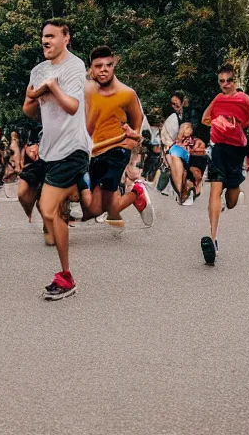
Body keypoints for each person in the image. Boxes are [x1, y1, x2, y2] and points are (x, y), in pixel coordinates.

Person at [23, 19, 91, 300]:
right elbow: (30, 109)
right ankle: (72, 199)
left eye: (51, 36)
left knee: (48, 207)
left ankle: (66, 277)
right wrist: (36, 95)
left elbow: (73, 106)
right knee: (31, 196)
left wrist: (52, 87)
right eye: (43, 37)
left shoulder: (75, 66)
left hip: (73, 148)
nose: (45, 41)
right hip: (49, 149)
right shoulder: (38, 71)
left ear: (66, 38)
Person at [82, 46, 154, 229]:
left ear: (114, 66)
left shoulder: (127, 94)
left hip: (117, 150)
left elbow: (138, 123)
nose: (103, 69)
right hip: (94, 150)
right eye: (98, 66)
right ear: (91, 69)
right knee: (93, 208)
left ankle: (131, 196)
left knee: (99, 206)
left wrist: (132, 139)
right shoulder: (86, 90)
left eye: (108, 65)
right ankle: (131, 198)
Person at [200, 63, 249, 265]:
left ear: (235, 81)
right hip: (218, 150)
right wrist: (218, 123)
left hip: (236, 151)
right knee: (214, 190)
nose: (225, 85)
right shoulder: (217, 99)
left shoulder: (243, 98)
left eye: (229, 81)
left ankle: (234, 191)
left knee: (231, 200)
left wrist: (239, 125)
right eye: (221, 81)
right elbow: (205, 118)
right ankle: (214, 241)